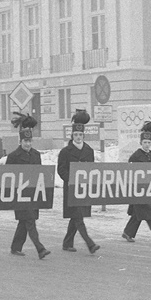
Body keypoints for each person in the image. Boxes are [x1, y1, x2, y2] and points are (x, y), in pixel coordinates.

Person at [6, 113, 50, 259]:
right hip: (20, 196)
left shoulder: (36, 155)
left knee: (25, 221)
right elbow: (7, 176)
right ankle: (40, 248)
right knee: (29, 221)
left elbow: (40, 175)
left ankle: (15, 247)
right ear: (20, 141)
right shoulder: (13, 157)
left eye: (29, 141)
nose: (28, 144)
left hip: (33, 194)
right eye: (25, 141)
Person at [58, 109, 100, 255]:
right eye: (75, 135)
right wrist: (71, 179)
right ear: (72, 136)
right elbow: (61, 170)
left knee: (76, 216)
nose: (78, 137)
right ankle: (90, 243)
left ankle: (67, 242)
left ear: (83, 135)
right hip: (71, 189)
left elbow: (91, 169)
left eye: (80, 135)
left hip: (83, 189)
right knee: (78, 216)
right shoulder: (65, 152)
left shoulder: (89, 150)